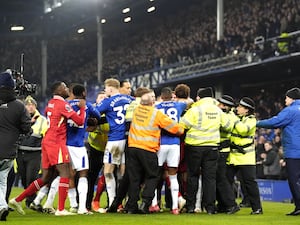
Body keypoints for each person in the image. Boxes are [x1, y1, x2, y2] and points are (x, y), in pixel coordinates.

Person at [9, 81, 86, 216]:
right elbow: (79, 121)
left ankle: (17, 199)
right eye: (64, 87)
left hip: (47, 142)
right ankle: (61, 209)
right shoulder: (62, 104)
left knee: (46, 177)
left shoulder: (50, 103)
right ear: (58, 90)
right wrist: (83, 108)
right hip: (57, 142)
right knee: (65, 173)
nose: (67, 89)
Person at [126, 91, 184, 214]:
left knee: (134, 178)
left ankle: (131, 206)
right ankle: (145, 204)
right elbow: (177, 129)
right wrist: (181, 128)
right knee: (152, 176)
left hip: (132, 148)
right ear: (152, 103)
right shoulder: (156, 114)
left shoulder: (136, 110)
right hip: (148, 149)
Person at [179, 87, 231, 214]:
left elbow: (182, 125)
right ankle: (210, 208)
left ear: (198, 97)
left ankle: (191, 206)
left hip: (195, 148)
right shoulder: (218, 110)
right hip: (212, 147)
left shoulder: (194, 110)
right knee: (210, 179)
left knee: (192, 177)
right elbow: (228, 126)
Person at [257, 87, 300, 216]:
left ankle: (299, 206)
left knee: (294, 179)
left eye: (286, 97)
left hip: (294, 151)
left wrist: (257, 123)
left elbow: (275, 122)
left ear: (292, 98)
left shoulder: (291, 110)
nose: (285, 100)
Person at [0, 70, 32, 221]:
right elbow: (27, 128)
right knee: (2, 181)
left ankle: (2, 207)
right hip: (9, 152)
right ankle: (2, 207)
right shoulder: (19, 106)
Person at [95, 78, 132, 208]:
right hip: (128, 140)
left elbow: (95, 113)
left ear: (110, 89)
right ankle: (126, 203)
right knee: (124, 173)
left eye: (106, 89)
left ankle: (113, 203)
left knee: (108, 171)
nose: (105, 92)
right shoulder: (131, 100)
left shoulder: (108, 101)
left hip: (115, 140)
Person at [66, 84, 101, 214]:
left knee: (69, 175)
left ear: (72, 93)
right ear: (84, 93)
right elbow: (97, 116)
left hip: (65, 144)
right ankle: (81, 207)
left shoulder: (66, 104)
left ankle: (73, 204)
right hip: (78, 146)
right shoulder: (87, 105)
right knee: (83, 173)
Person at [152, 87, 187, 215]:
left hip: (160, 143)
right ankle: (174, 207)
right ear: (171, 96)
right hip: (175, 145)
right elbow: (189, 101)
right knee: (173, 175)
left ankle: (154, 204)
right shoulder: (179, 105)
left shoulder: (156, 107)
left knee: (155, 174)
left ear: (161, 96)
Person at [227, 97, 263, 215]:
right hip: (233, 156)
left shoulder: (251, 120)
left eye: (240, 107)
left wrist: (233, 118)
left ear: (247, 110)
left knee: (250, 183)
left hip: (246, 156)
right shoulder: (235, 117)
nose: (237, 108)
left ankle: (257, 208)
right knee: (226, 180)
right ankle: (229, 205)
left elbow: (242, 130)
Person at [16, 96, 47, 210]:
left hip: (35, 153)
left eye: (32, 105)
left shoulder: (43, 120)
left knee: (31, 178)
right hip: (20, 152)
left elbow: (46, 136)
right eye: (28, 105)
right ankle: (31, 199)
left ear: (36, 106)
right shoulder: (19, 119)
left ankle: (31, 201)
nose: (30, 107)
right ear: (24, 107)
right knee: (24, 178)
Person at [216, 95, 240, 214]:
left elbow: (226, 129)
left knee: (221, 179)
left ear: (225, 106)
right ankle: (222, 205)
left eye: (220, 104)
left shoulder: (230, 117)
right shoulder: (229, 115)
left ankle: (231, 204)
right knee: (219, 179)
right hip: (221, 149)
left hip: (222, 150)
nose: (218, 106)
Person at [86, 91, 109, 212]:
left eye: (106, 97)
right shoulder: (92, 112)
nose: (103, 99)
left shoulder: (111, 112)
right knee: (91, 176)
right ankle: (87, 203)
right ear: (96, 101)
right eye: (101, 97)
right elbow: (88, 127)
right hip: (95, 148)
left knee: (110, 176)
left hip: (109, 148)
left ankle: (110, 204)